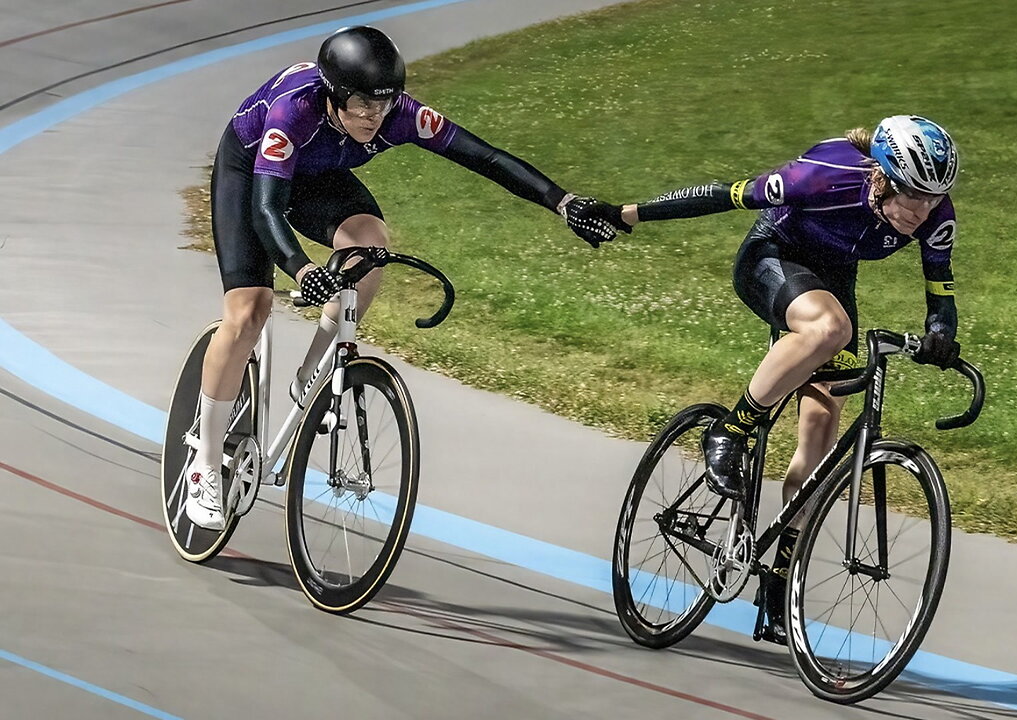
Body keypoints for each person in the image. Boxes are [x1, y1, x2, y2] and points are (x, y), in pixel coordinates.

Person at [184, 25, 617, 530]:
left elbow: (486, 158)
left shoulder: (401, 114)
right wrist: (303, 270)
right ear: (332, 95)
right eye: (362, 105)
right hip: (252, 175)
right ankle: (205, 464)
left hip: (318, 176)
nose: (374, 116)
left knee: (370, 243)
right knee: (248, 312)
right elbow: (265, 212)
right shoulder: (292, 112)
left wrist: (562, 202)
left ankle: (315, 372)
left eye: (383, 104)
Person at [586, 115, 963, 643]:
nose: (919, 213)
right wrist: (625, 214)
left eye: (930, 200)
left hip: (832, 278)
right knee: (831, 328)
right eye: (910, 197)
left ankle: (780, 578)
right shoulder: (824, 173)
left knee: (821, 430)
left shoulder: (934, 213)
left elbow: (940, 287)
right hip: (771, 259)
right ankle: (731, 431)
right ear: (879, 176)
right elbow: (723, 194)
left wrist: (941, 333)